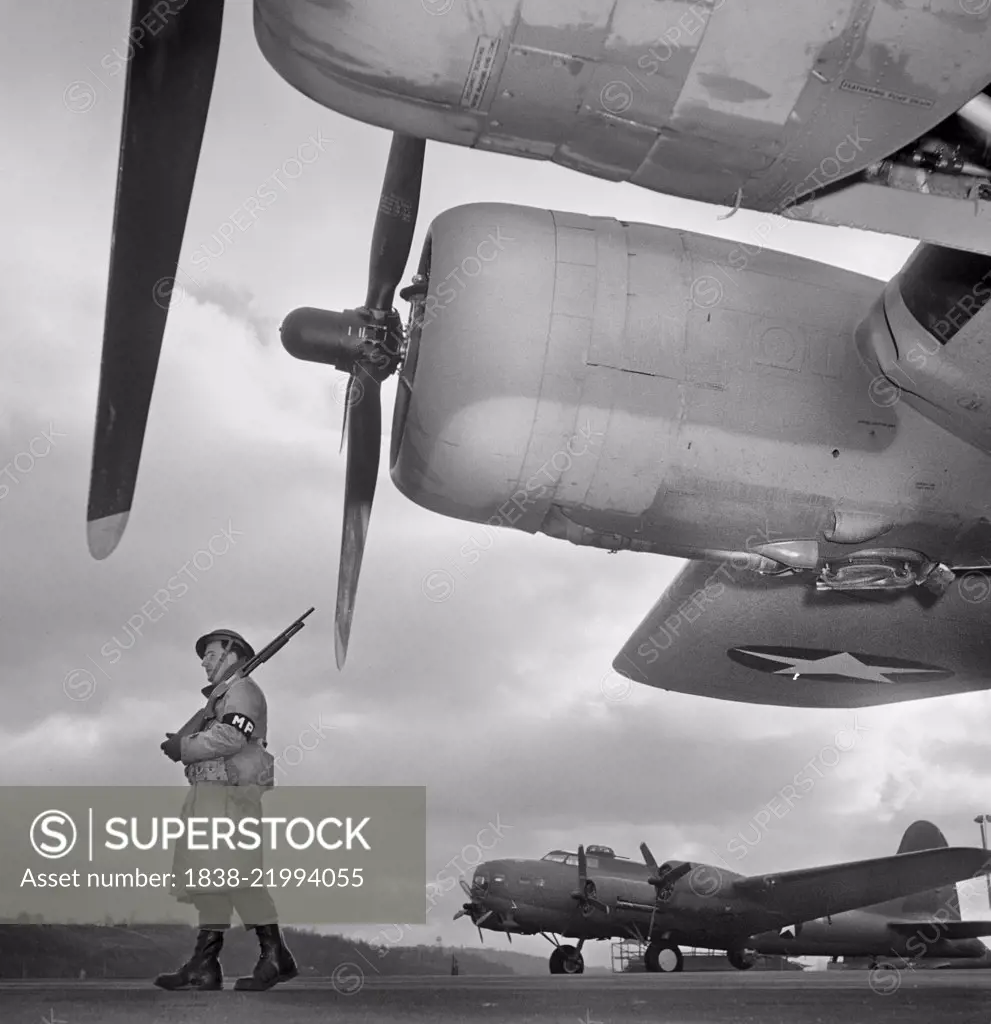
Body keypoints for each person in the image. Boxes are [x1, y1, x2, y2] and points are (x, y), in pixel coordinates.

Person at [153, 627, 298, 992]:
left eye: (211, 652)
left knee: (239, 876)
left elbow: (231, 737)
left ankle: (275, 956)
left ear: (232, 653)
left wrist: (184, 747)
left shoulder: (243, 691)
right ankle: (205, 963)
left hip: (230, 798)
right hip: (211, 796)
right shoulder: (222, 697)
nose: (204, 660)